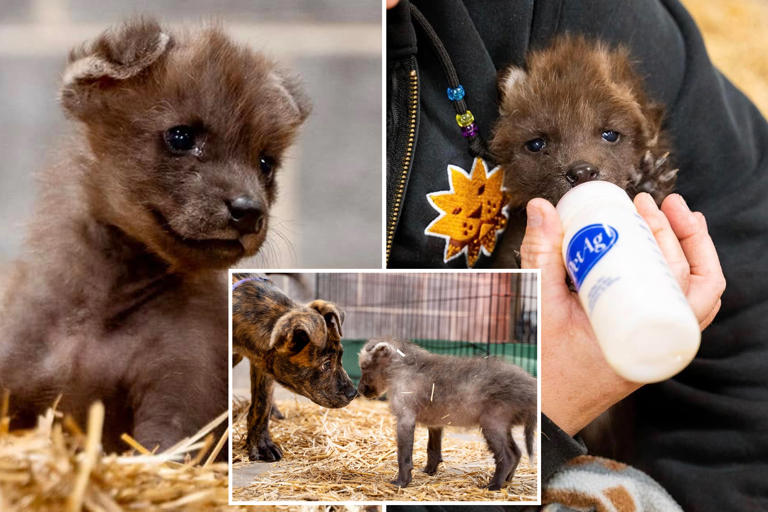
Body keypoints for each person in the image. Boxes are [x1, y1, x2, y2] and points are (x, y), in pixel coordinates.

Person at [386, 0, 768, 509]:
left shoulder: (577, 16)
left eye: (609, 137)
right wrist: (553, 400)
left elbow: (751, 264)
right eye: (538, 145)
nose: (582, 164)